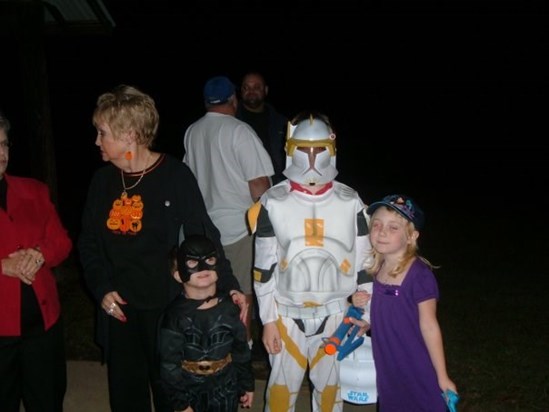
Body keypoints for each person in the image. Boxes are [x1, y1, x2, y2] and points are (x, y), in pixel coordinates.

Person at [78, 84, 246, 412]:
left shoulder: (174, 176)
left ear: (128, 134)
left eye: (103, 132)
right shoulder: (102, 182)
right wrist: (101, 288)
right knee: (127, 398)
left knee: (172, 395)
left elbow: (205, 235)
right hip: (120, 310)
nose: (97, 141)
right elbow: (88, 243)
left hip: (166, 310)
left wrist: (229, 285)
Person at [247, 111, 372, 411]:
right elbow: (264, 270)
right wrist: (268, 321)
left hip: (336, 314)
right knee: (280, 395)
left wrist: (364, 313)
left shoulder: (351, 201)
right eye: (305, 149)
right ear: (291, 150)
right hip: (287, 314)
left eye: (319, 150)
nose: (313, 158)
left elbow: (365, 265)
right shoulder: (272, 202)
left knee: (330, 396)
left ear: (332, 149)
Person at [183, 75, 274, 346]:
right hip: (240, 228)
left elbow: (188, 178)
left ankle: (214, 349)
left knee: (213, 292)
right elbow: (259, 185)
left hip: (207, 230)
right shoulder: (239, 131)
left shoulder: (192, 131)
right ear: (234, 100)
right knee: (243, 293)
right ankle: (242, 353)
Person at [0, 110, 73, 411]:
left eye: (4, 144)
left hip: (42, 327)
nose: (1, 153)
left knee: (46, 402)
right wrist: (3, 266)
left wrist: (39, 253)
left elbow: (62, 241)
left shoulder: (33, 190)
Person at [364, 194, 458, 411]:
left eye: (393, 227)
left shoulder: (419, 276)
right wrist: (366, 322)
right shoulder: (377, 271)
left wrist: (442, 376)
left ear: (411, 236)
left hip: (415, 364)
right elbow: (387, 314)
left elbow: (429, 326)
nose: (382, 231)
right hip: (388, 365)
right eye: (376, 224)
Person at [158, 234, 255, 411]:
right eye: (192, 263)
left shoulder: (230, 309)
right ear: (179, 275)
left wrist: (247, 384)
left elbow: (241, 351)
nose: (203, 267)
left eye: (209, 259)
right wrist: (181, 404)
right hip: (189, 390)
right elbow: (169, 365)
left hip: (225, 388)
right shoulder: (174, 316)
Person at [236, 71, 288, 184]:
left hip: (278, 185)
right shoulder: (232, 122)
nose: (251, 92)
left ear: (265, 90)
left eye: (257, 87)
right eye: (246, 87)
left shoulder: (281, 122)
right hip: (243, 187)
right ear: (241, 91)